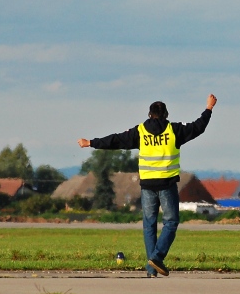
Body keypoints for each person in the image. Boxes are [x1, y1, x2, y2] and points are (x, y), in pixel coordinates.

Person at [78, 95, 217, 277]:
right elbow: (198, 127)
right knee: (171, 222)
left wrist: (91, 143)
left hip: (147, 186)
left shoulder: (140, 131)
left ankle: (152, 269)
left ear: (150, 115)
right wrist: (209, 108)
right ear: (166, 114)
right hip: (167, 185)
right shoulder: (174, 130)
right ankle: (157, 258)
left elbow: (117, 140)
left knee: (149, 225)